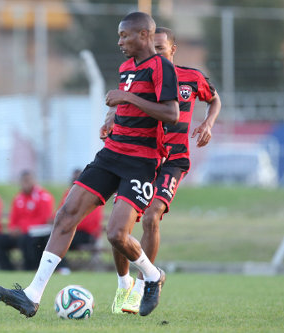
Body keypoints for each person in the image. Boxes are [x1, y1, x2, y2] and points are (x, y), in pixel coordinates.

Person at [0, 12, 179, 318]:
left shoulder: (162, 67)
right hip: (111, 153)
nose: (119, 42)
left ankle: (153, 276)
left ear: (144, 36)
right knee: (66, 214)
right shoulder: (127, 66)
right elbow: (125, 107)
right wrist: (111, 119)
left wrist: (127, 98)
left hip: (141, 162)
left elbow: (171, 113)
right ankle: (32, 295)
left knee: (117, 234)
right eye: (118, 35)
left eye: (124, 36)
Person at [112, 27, 222, 314]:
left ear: (173, 50)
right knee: (121, 227)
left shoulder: (191, 77)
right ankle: (123, 286)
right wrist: (110, 120)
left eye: (161, 48)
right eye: (153, 47)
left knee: (151, 217)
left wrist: (208, 123)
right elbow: (125, 101)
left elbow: (214, 98)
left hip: (173, 160)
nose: (155, 52)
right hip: (141, 158)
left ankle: (142, 286)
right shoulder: (141, 73)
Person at [0, 170, 54, 270]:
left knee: (26, 240)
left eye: (28, 180)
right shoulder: (18, 198)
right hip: (20, 233)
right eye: (23, 181)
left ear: (34, 181)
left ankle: (30, 268)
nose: (25, 183)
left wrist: (23, 229)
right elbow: (14, 218)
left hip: (36, 233)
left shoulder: (43, 196)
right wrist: (13, 229)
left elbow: (44, 219)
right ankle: (7, 269)